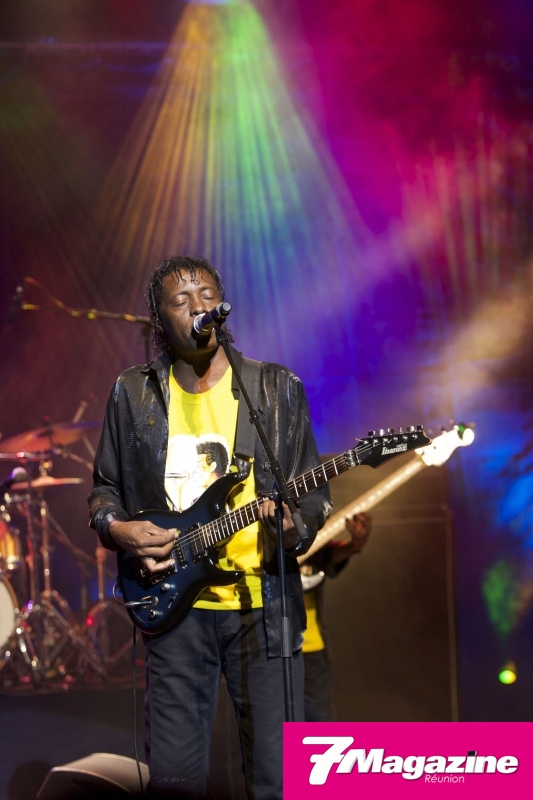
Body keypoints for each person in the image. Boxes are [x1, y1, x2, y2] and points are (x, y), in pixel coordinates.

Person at [88, 255, 331, 799]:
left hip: (263, 609)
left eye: (207, 295)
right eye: (181, 300)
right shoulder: (133, 392)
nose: (198, 305)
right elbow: (104, 489)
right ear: (160, 319)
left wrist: (292, 527)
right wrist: (118, 529)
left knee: (276, 780)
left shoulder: (275, 388)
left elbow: (314, 500)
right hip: (173, 609)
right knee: (174, 781)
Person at [301, 512, 372, 721]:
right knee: (274, 726)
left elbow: (344, 550)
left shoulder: (314, 543)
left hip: (312, 651)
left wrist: (358, 539)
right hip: (271, 651)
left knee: (319, 724)